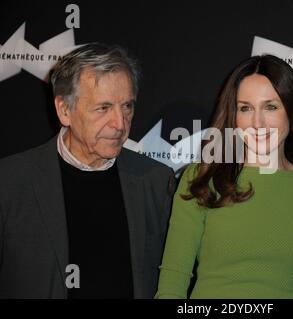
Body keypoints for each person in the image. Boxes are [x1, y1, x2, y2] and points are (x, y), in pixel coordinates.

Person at [0, 43, 174, 298]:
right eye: (103, 108)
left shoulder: (156, 181)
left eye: (127, 106)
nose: (119, 123)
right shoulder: (10, 181)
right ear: (64, 110)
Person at [155, 55, 293, 299]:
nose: (257, 122)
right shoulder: (201, 178)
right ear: (233, 115)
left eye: (271, 106)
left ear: (291, 111)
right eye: (245, 108)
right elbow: (172, 282)